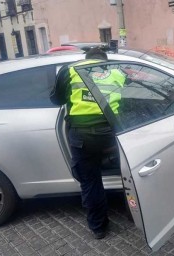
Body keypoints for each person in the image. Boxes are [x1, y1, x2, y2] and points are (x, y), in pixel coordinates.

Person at [50, 47, 126, 239]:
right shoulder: (117, 72)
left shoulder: (70, 70)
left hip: (83, 136)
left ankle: (99, 228)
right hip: (111, 135)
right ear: (104, 60)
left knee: (91, 182)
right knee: (130, 172)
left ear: (86, 59)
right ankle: (135, 213)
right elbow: (126, 100)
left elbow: (56, 99)